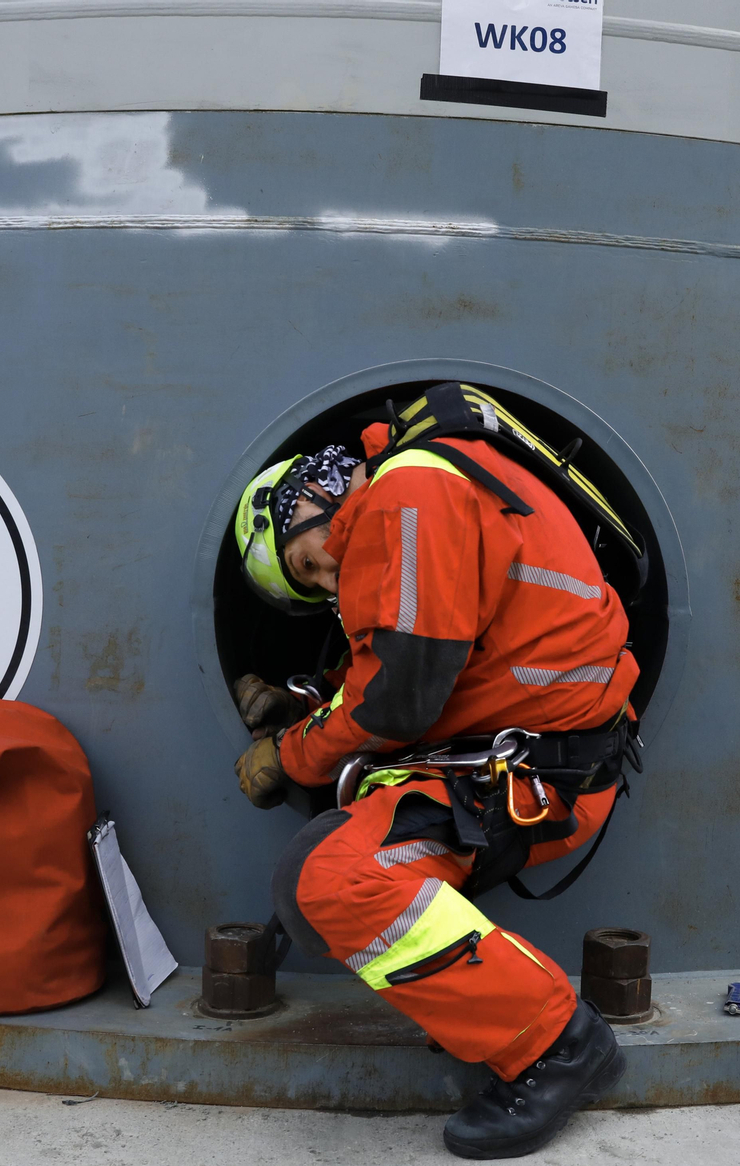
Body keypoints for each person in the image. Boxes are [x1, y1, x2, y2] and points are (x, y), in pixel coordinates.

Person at [230, 407, 643, 1160]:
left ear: (313, 493)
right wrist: (315, 703)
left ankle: (557, 1042)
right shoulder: (419, 491)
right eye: (314, 581)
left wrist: (293, 755)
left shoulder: (409, 493)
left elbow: (400, 699)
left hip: (539, 776)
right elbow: (420, 655)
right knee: (308, 881)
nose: (328, 576)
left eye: (309, 558)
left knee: (336, 884)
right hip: (526, 760)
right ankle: (487, 1011)